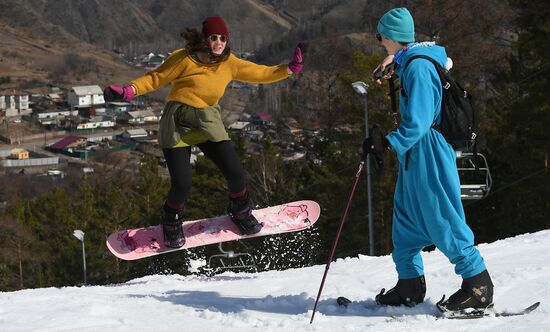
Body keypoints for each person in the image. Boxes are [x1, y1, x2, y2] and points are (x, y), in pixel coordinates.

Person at [104, 16, 304, 248]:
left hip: (207, 122)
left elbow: (261, 73)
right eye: (214, 37)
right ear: (205, 38)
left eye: (223, 38)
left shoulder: (229, 62)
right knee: (182, 184)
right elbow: (155, 78)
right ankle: (171, 220)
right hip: (178, 122)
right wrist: (129, 91)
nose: (218, 42)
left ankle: (240, 211)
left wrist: (288, 69)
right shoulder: (184, 58)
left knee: (236, 174)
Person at [364, 7, 494, 312]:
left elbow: (420, 121)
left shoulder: (418, 69)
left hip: (429, 148)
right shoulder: (410, 60)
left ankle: (478, 285)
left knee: (442, 215)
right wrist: (392, 63)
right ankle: (409, 284)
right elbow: (408, 57)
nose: (379, 41)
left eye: (380, 36)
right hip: (415, 150)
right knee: (406, 217)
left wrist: (388, 142)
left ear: (389, 36)